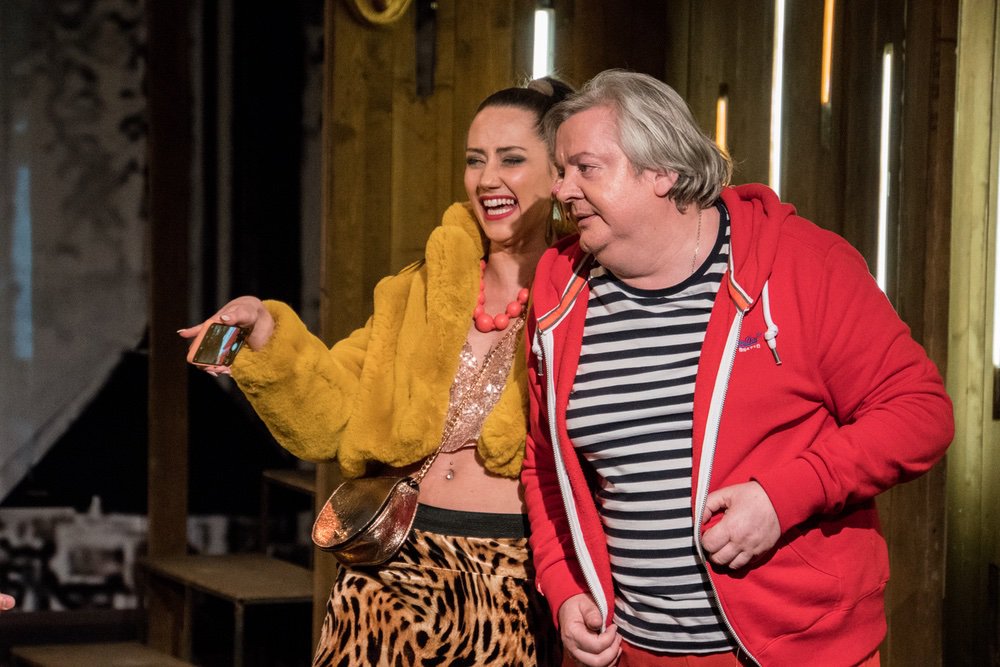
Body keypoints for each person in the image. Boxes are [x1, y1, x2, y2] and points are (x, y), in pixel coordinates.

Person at [521, 69, 954, 667]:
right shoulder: (558, 293)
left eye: (584, 168)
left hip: (798, 652)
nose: (561, 188)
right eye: (560, 170)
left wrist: (784, 497)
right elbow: (545, 467)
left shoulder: (804, 265)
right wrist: (566, 585)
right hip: (633, 655)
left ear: (662, 171)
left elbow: (920, 414)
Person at [180, 77, 572, 666]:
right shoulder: (420, 289)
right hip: (386, 570)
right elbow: (334, 415)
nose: (488, 178)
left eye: (511, 159)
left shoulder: (583, 297)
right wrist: (265, 332)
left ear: (558, 173)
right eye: (475, 160)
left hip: (506, 578)